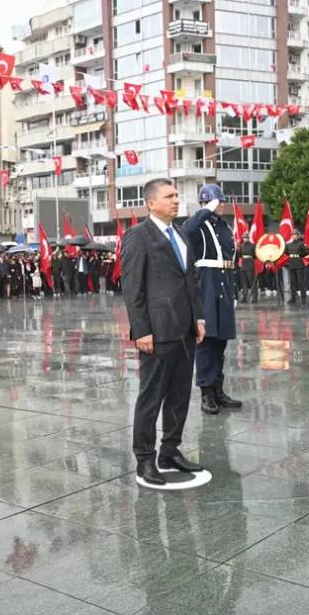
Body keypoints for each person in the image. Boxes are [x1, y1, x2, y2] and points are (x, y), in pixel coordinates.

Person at [121, 178, 205, 487]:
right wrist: (141, 330)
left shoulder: (181, 234)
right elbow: (132, 288)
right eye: (169, 196)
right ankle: (145, 458)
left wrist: (199, 318)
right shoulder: (137, 236)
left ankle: (170, 450)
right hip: (156, 331)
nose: (176, 200)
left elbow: (190, 280)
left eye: (176, 195)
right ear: (151, 203)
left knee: (180, 393)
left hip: (185, 328)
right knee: (151, 397)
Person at [182, 184, 242, 417]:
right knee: (205, 342)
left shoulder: (225, 227)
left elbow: (229, 261)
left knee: (221, 343)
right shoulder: (198, 224)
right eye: (218, 201)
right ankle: (206, 392)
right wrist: (207, 210)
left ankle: (218, 388)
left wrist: (234, 293)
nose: (222, 205)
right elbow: (186, 230)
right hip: (205, 286)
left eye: (222, 201)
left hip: (225, 285)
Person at [283, 228, 309, 305]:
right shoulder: (288, 245)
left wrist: (302, 257)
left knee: (301, 282)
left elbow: (307, 252)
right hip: (291, 265)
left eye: (295, 235)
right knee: (292, 282)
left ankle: (303, 298)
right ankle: (293, 298)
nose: (294, 236)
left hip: (299, 265)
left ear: (298, 236)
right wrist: (287, 263)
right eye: (293, 235)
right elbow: (285, 254)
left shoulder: (301, 244)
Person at [237, 233, 256, 303]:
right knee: (244, 282)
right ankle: (244, 297)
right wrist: (238, 250)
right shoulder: (241, 246)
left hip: (250, 264)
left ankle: (254, 297)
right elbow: (239, 256)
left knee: (252, 282)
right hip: (243, 265)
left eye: (246, 238)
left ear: (248, 238)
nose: (245, 239)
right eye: (244, 238)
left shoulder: (252, 245)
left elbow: (255, 255)